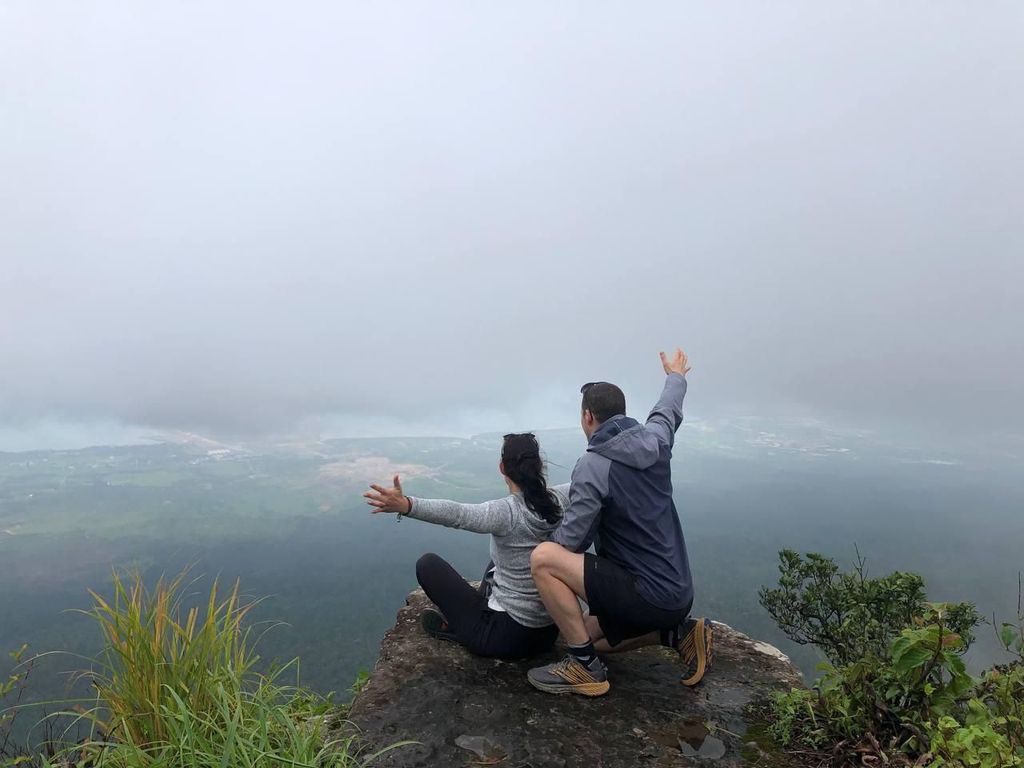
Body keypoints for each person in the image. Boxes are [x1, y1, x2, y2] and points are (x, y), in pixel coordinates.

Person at [526, 348, 712, 696]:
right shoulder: (655, 440)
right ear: (622, 414)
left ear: (588, 416)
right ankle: (677, 633)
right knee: (585, 636)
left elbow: (570, 543)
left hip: (646, 593)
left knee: (543, 559)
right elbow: (667, 409)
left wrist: (540, 536)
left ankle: (584, 671)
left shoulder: (593, 465)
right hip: (676, 593)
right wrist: (676, 376)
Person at [363, 433, 569, 660]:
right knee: (496, 564)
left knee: (428, 565)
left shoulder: (506, 512)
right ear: (539, 465)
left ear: (502, 468)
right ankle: (473, 618)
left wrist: (406, 505)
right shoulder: (559, 499)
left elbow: (457, 514)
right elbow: (590, 479)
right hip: (548, 632)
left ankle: (458, 631)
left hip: (505, 639)